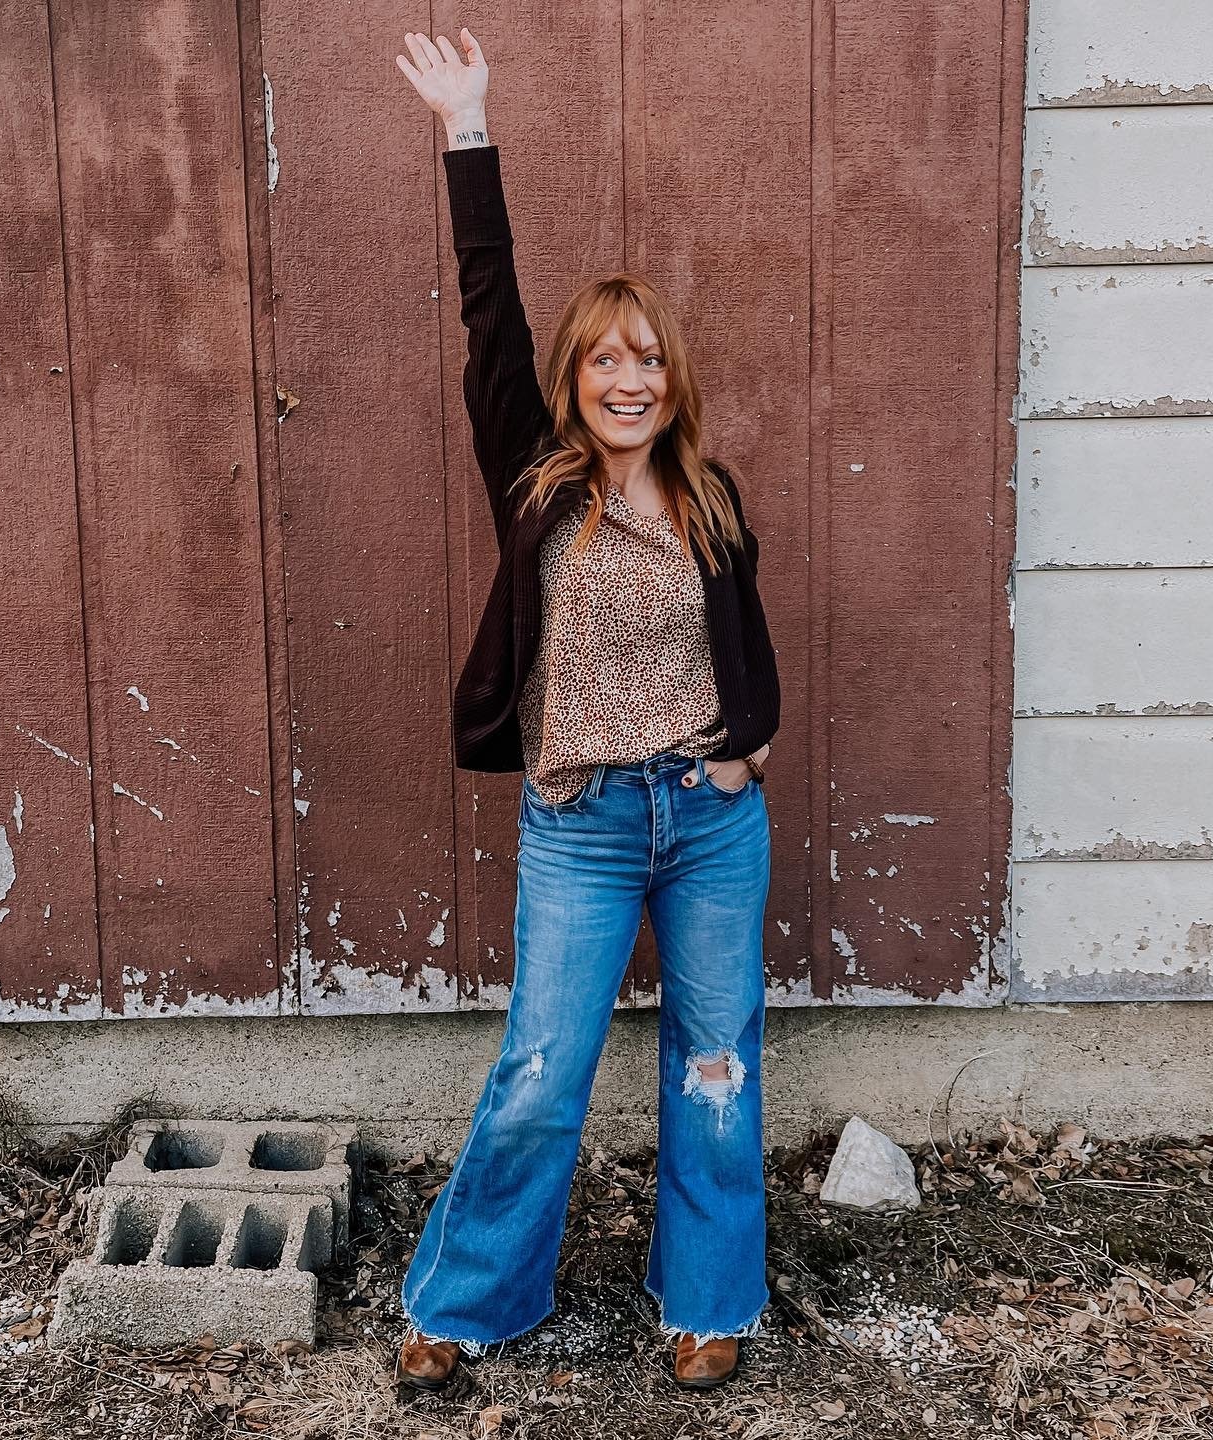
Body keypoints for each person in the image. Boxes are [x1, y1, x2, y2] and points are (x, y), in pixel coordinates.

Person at [391, 27, 780, 1392]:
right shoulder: (538, 482)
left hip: (711, 821)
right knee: (545, 1069)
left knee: (717, 1064)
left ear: (672, 382)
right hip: (585, 822)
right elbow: (488, 308)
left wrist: (750, 747)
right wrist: (468, 127)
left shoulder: (711, 498)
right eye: (607, 362)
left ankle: (709, 1300)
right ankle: (465, 1302)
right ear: (574, 380)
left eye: (649, 363)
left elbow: (744, 641)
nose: (629, 382)